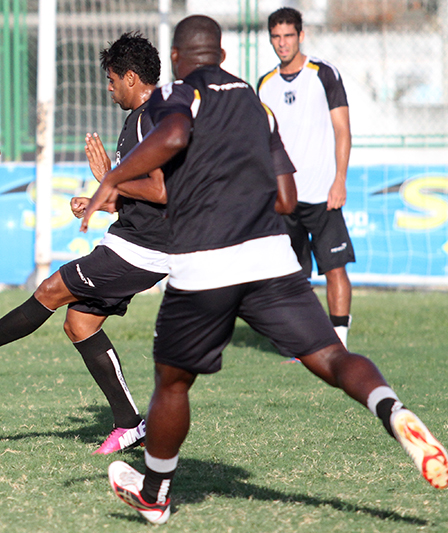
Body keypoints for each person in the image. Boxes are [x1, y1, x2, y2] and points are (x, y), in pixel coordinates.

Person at [80, 15, 448, 525]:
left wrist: (113, 179)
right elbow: (287, 197)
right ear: (223, 57)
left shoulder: (175, 96)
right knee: (332, 357)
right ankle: (393, 410)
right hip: (271, 257)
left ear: (179, 59)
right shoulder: (257, 104)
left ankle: (155, 494)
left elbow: (176, 133)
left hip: (205, 262)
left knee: (172, 383)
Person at [0, 32, 168, 454]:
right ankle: (130, 424)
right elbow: (146, 195)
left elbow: (163, 191)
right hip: (134, 238)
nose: (109, 88)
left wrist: (107, 179)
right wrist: (101, 200)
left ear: (131, 77)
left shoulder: (153, 118)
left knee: (51, 289)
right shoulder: (142, 117)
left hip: (143, 248)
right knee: (80, 324)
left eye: (112, 80)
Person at [257, 7, 355, 347]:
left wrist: (339, 180)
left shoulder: (324, 74)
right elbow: (261, 141)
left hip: (324, 194)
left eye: (288, 35)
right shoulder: (265, 85)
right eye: (276, 37)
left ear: (301, 35)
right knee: (293, 277)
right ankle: (305, 342)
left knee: (335, 268)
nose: (282, 43)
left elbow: (343, 131)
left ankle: (339, 342)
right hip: (285, 199)